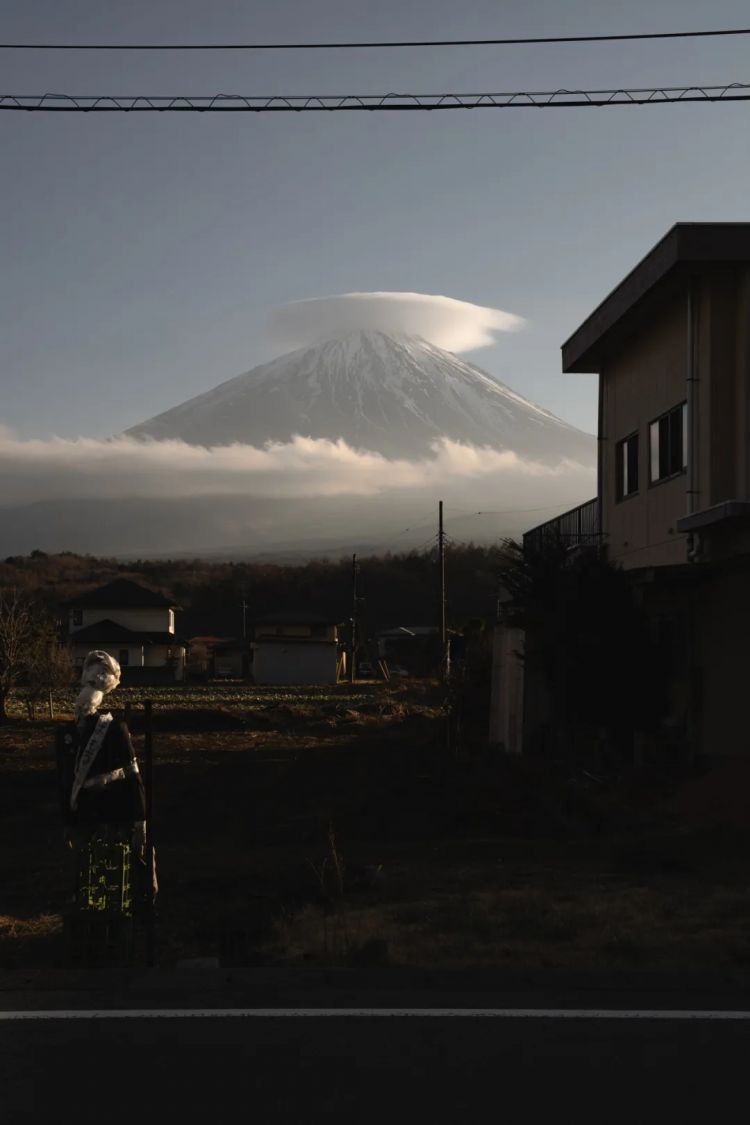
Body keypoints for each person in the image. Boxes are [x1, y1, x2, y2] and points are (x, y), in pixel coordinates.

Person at [56, 651, 156, 950]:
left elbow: (130, 774)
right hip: (91, 816)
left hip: (110, 814)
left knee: (113, 874)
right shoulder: (70, 733)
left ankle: (117, 929)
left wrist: (137, 818)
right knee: (90, 876)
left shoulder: (113, 729)